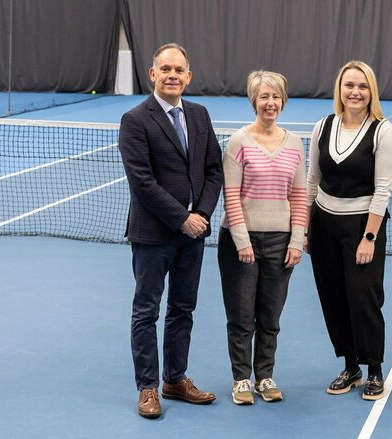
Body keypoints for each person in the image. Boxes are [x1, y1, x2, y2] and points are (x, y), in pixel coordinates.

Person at [118, 42, 223, 419]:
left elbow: (214, 171)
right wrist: (182, 217)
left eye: (179, 70)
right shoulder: (135, 119)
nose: (173, 75)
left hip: (193, 234)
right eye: (166, 69)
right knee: (146, 311)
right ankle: (148, 387)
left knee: (183, 308)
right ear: (153, 74)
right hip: (152, 235)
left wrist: (203, 214)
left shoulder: (199, 115)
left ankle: (174, 380)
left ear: (189, 76)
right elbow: (142, 182)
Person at [305, 60, 392, 401]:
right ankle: (351, 367)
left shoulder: (382, 131)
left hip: (363, 226)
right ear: (340, 89)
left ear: (371, 91)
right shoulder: (323, 126)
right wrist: (305, 228)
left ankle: (374, 369)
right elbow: (312, 180)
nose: (355, 92)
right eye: (349, 86)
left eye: (362, 86)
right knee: (334, 299)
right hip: (324, 225)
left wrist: (369, 237)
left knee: (364, 299)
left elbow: (383, 190)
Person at [218, 70, 306, 405]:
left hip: (280, 242)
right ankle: (241, 380)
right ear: (254, 100)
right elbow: (231, 195)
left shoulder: (295, 143)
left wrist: (296, 240)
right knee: (241, 317)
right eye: (263, 97)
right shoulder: (239, 142)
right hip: (241, 242)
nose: (270, 103)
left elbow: (299, 197)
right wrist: (242, 241)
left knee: (270, 316)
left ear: (283, 101)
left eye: (275, 97)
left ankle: (265, 377)